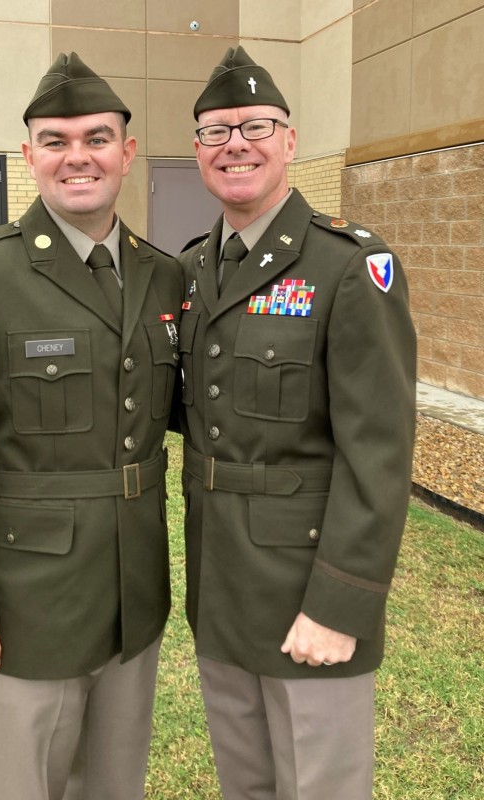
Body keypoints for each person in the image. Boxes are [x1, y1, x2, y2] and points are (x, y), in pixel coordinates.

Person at [0, 52, 183, 800]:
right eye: (55, 141)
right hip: (27, 609)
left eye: (97, 138)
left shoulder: (163, 275)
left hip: (134, 599)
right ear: (28, 156)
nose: (77, 156)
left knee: (116, 785)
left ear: (127, 152)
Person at [178, 46, 416, 800]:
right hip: (220, 592)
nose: (235, 144)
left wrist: (339, 604)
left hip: (306, 597)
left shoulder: (348, 265)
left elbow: (379, 452)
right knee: (244, 783)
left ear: (288, 140)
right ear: (198, 151)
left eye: (255, 126)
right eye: (216, 131)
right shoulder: (193, 269)